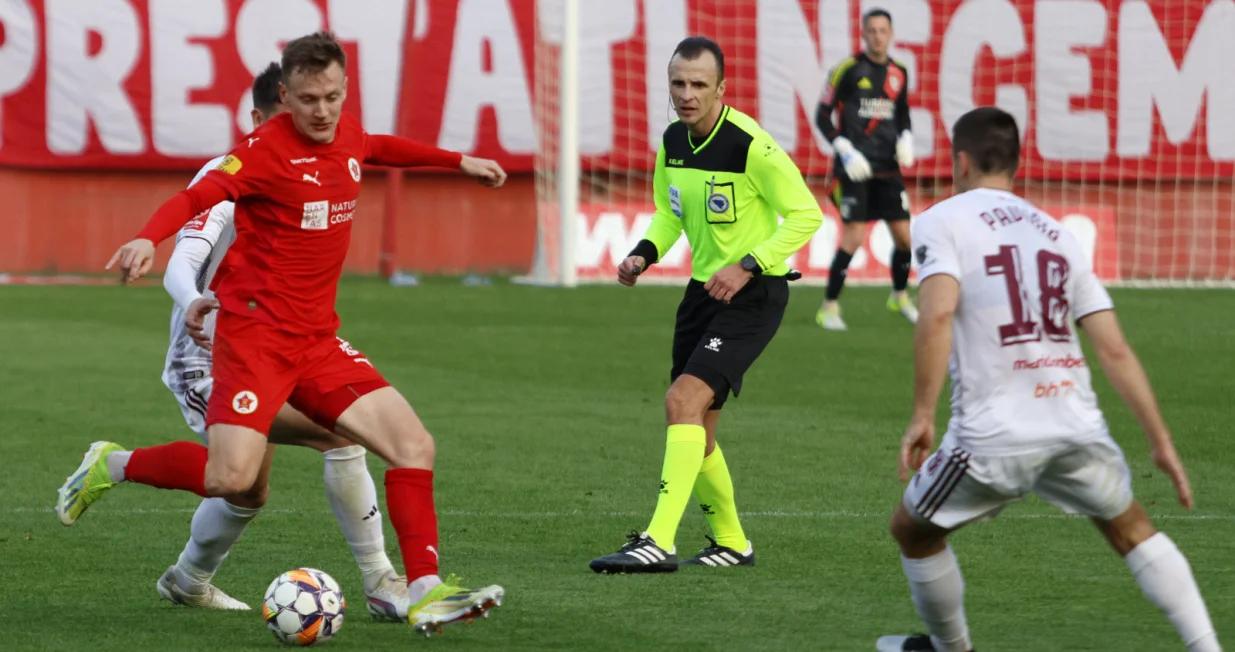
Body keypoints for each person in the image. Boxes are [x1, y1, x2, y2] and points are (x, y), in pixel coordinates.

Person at [56, 31, 508, 637]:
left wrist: (459, 161)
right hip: (255, 345)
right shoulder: (261, 152)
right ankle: (118, 464)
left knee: (413, 445)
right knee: (233, 482)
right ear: (286, 98)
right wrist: (147, 235)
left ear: (343, 89)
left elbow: (378, 146)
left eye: (332, 96)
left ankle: (422, 589)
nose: (322, 111)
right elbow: (198, 197)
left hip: (318, 342)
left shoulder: (346, 131)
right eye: (308, 99)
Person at [875, 106, 1220, 652]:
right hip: (1074, 423)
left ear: (961, 161)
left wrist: (922, 413)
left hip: (993, 435)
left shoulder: (942, 219)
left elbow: (937, 315)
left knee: (913, 531)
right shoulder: (1057, 233)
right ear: (1016, 163)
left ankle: (952, 650)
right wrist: (1161, 443)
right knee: (1130, 529)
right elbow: (1115, 348)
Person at [153, 62, 408, 620]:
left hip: (272, 347)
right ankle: (381, 581)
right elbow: (183, 261)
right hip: (210, 359)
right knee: (316, 445)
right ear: (260, 118)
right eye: (285, 121)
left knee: (250, 490)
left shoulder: (318, 163)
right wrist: (192, 300)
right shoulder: (231, 176)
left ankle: (187, 579)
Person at [588, 36, 823, 574]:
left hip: (753, 293)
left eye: (699, 84)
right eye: (678, 84)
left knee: (681, 403)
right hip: (701, 294)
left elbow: (807, 215)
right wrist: (642, 255)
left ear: (722, 88)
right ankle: (732, 542)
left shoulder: (751, 145)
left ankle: (658, 539)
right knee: (699, 428)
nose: (687, 94)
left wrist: (749, 264)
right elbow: (668, 214)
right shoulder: (672, 141)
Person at [814, 8, 917, 331]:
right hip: (855, 169)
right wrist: (842, 148)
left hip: (889, 168)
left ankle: (899, 295)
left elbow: (902, 114)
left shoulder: (899, 72)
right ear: (863, 34)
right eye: (871, 30)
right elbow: (822, 114)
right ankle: (828, 307)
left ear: (891, 34)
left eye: (883, 30)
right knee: (853, 238)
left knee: (904, 237)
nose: (877, 36)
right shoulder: (846, 69)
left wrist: (906, 136)